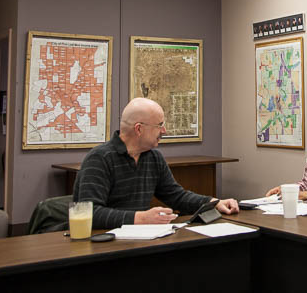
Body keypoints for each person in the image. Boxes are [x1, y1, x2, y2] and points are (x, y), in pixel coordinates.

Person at [74, 97, 239, 229]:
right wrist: (141, 218)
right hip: (103, 246)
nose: (164, 131)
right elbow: (91, 214)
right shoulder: (99, 159)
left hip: (140, 241)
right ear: (139, 129)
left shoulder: (153, 158)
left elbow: (177, 196)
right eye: (159, 125)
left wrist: (213, 203)